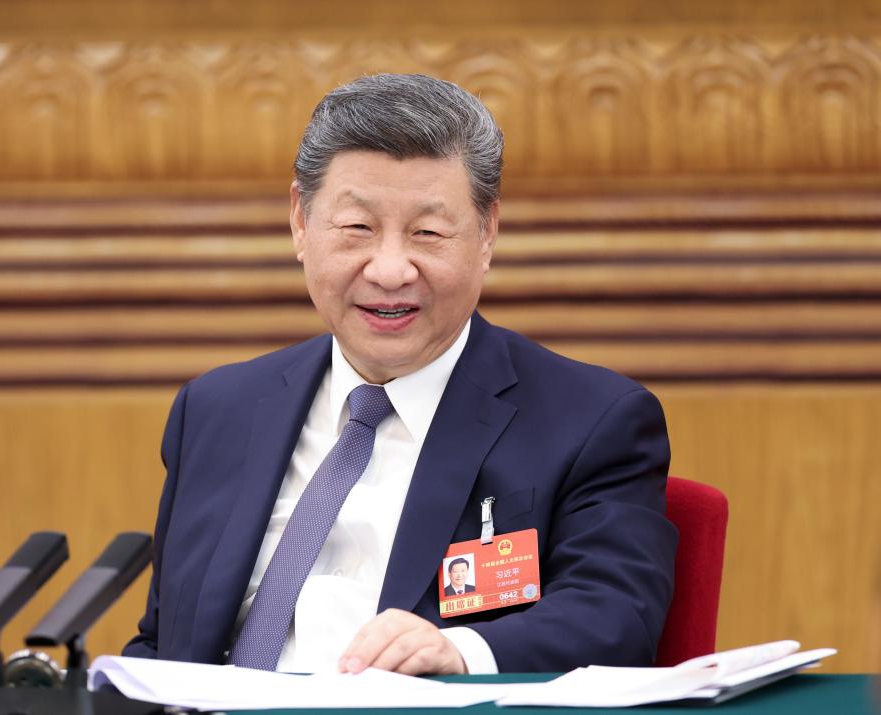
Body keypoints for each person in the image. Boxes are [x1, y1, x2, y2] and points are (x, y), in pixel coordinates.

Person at [124, 73, 677, 675]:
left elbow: (616, 615)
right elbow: (164, 644)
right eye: (357, 228)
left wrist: (459, 652)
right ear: (301, 223)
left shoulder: (592, 420)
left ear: (486, 233)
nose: (390, 271)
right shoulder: (215, 409)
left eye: (428, 233)